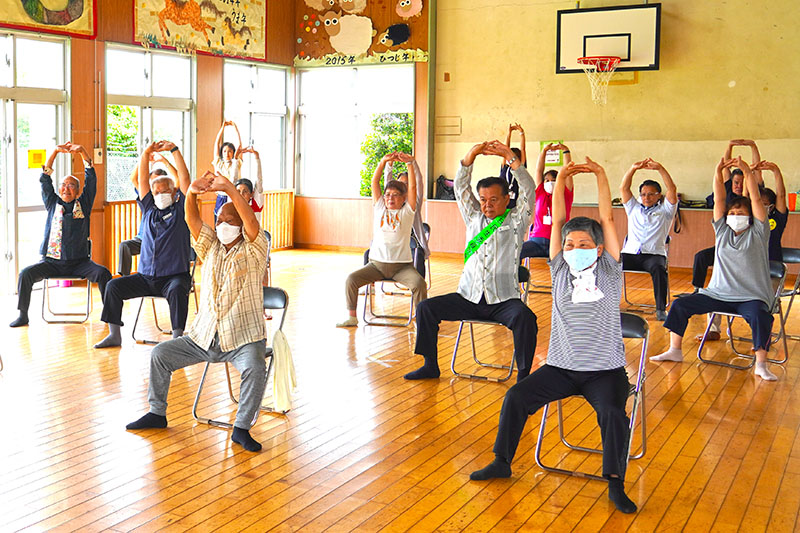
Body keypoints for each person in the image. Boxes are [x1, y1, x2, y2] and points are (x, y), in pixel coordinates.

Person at [470, 157, 638, 514]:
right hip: (561, 368)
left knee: (612, 414)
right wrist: (560, 176)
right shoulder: (559, 267)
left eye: (583, 244)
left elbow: (608, 218)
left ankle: (615, 483)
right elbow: (557, 220)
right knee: (515, 396)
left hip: (604, 370)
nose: (575, 249)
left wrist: (600, 175)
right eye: (570, 244)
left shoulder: (610, 269)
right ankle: (502, 461)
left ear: (598, 248)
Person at [126, 170, 270, 452]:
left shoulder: (255, 249)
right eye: (219, 220)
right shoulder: (212, 247)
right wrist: (191, 193)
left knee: (255, 367)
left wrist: (229, 189)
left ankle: (240, 428)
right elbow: (191, 219)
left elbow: (251, 221)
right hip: (203, 337)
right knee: (160, 355)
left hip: (242, 339)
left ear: (241, 225)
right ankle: (157, 412)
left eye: (230, 221)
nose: (223, 225)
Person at [404, 141, 537, 382]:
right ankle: (430, 365)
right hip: (468, 297)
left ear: (507, 199)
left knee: (525, 318)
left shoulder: (518, 221)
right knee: (426, 308)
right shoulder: (473, 218)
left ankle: (524, 377)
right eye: (484, 199)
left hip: (503, 300)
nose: (487, 204)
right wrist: (471, 155)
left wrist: (509, 156)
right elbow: (461, 188)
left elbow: (529, 189)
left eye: (494, 199)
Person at [651, 156, 778, 381]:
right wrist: (718, 172)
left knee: (761, 316)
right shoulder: (722, 232)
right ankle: (675, 350)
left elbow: (756, 200)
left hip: (751, 297)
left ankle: (761, 364)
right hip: (718, 294)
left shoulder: (759, 234)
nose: (735, 217)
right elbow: (719, 200)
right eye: (733, 214)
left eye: (741, 214)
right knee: (680, 304)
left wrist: (748, 173)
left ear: (751, 218)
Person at [95, 141, 192, 348]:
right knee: (113, 286)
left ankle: (177, 338)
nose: (160, 194)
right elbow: (141, 180)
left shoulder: (181, 210)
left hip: (173, 277)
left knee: (177, 291)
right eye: (156, 192)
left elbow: (184, 178)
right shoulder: (148, 209)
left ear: (175, 193)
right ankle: (115, 335)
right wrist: (146, 152)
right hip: (146, 277)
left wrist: (174, 151)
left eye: (165, 190)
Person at [10, 143, 111, 327]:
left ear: (78, 191)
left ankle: (109, 316)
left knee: (104, 273)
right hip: (51, 263)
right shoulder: (52, 203)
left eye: (71, 185)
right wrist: (55, 152)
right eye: (63, 185)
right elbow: (45, 178)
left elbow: (91, 177)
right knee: (25, 274)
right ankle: (23, 315)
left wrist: (82, 151)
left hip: (80, 263)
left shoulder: (84, 204)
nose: (66, 188)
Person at [336, 152, 427, 327]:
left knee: (419, 284)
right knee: (351, 280)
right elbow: (374, 182)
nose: (390, 198)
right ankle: (352, 317)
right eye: (388, 195)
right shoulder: (379, 209)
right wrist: (384, 161)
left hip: (402, 267)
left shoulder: (407, 212)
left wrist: (410, 164)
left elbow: (414, 189)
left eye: (395, 195)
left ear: (403, 199)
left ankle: (421, 319)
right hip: (376, 265)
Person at [692, 139, 762, 291]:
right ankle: (697, 289)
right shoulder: (727, 191)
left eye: (742, 182)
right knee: (701, 257)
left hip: (748, 246)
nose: (739, 185)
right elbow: (724, 169)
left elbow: (756, 173)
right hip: (727, 243)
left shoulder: (753, 197)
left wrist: (753, 146)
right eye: (736, 182)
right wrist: (730, 146)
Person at [619, 158, 678, 321]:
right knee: (609, 263)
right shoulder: (633, 208)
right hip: (630, 253)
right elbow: (624, 188)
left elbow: (672, 188)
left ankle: (660, 310)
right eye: (644, 194)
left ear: (659, 195)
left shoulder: (666, 211)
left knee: (659, 270)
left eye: (651, 194)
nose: (647, 197)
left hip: (653, 255)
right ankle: (607, 304)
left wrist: (660, 168)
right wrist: (632, 169)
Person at [117, 152, 180, 276]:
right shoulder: (147, 200)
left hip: (166, 240)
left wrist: (165, 161)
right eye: (151, 182)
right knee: (124, 246)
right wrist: (144, 159)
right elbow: (134, 179)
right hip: (144, 239)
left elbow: (179, 179)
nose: (154, 185)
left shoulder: (172, 197)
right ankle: (125, 278)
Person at [520, 142, 573, 260]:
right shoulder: (540, 193)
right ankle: (517, 277)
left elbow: (568, 171)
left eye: (554, 180)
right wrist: (544, 151)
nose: (550, 183)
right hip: (536, 242)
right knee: (516, 251)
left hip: (557, 243)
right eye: (547, 180)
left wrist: (566, 152)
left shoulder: (565, 194)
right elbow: (539, 170)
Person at [212, 120, 243, 218]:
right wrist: (222, 128)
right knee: (218, 220)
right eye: (224, 151)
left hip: (233, 196)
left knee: (233, 220)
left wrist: (236, 128)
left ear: (234, 152)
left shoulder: (236, 163)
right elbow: (216, 144)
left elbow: (240, 146)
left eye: (230, 151)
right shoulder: (218, 163)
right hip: (221, 196)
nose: (227, 153)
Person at [499, 123, 528, 209]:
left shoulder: (521, 168)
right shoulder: (505, 166)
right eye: (509, 156)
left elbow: (523, 149)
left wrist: (522, 133)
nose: (510, 159)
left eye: (513, 157)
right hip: (502, 204)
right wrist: (509, 133)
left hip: (517, 204)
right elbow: (505, 148)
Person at [235, 146, 264, 213]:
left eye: (245, 191)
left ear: (252, 194)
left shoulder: (257, 204)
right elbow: (234, 179)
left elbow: (259, 179)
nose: (241, 194)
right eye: (238, 191)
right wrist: (236, 159)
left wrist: (257, 157)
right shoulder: (233, 204)